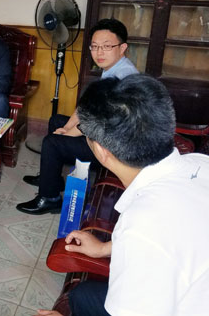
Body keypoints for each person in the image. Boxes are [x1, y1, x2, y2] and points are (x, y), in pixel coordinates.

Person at [36, 75, 209, 316]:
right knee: (82, 296)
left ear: (101, 150)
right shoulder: (199, 163)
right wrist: (104, 249)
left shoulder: (141, 226)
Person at [17, 18, 139, 215]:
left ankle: (50, 198)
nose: (99, 52)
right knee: (57, 121)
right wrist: (66, 127)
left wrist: (67, 134)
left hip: (114, 150)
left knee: (52, 143)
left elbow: (96, 122)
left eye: (107, 46)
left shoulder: (123, 77)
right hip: (103, 135)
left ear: (122, 47)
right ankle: (52, 180)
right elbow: (86, 108)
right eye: (95, 46)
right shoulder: (113, 68)